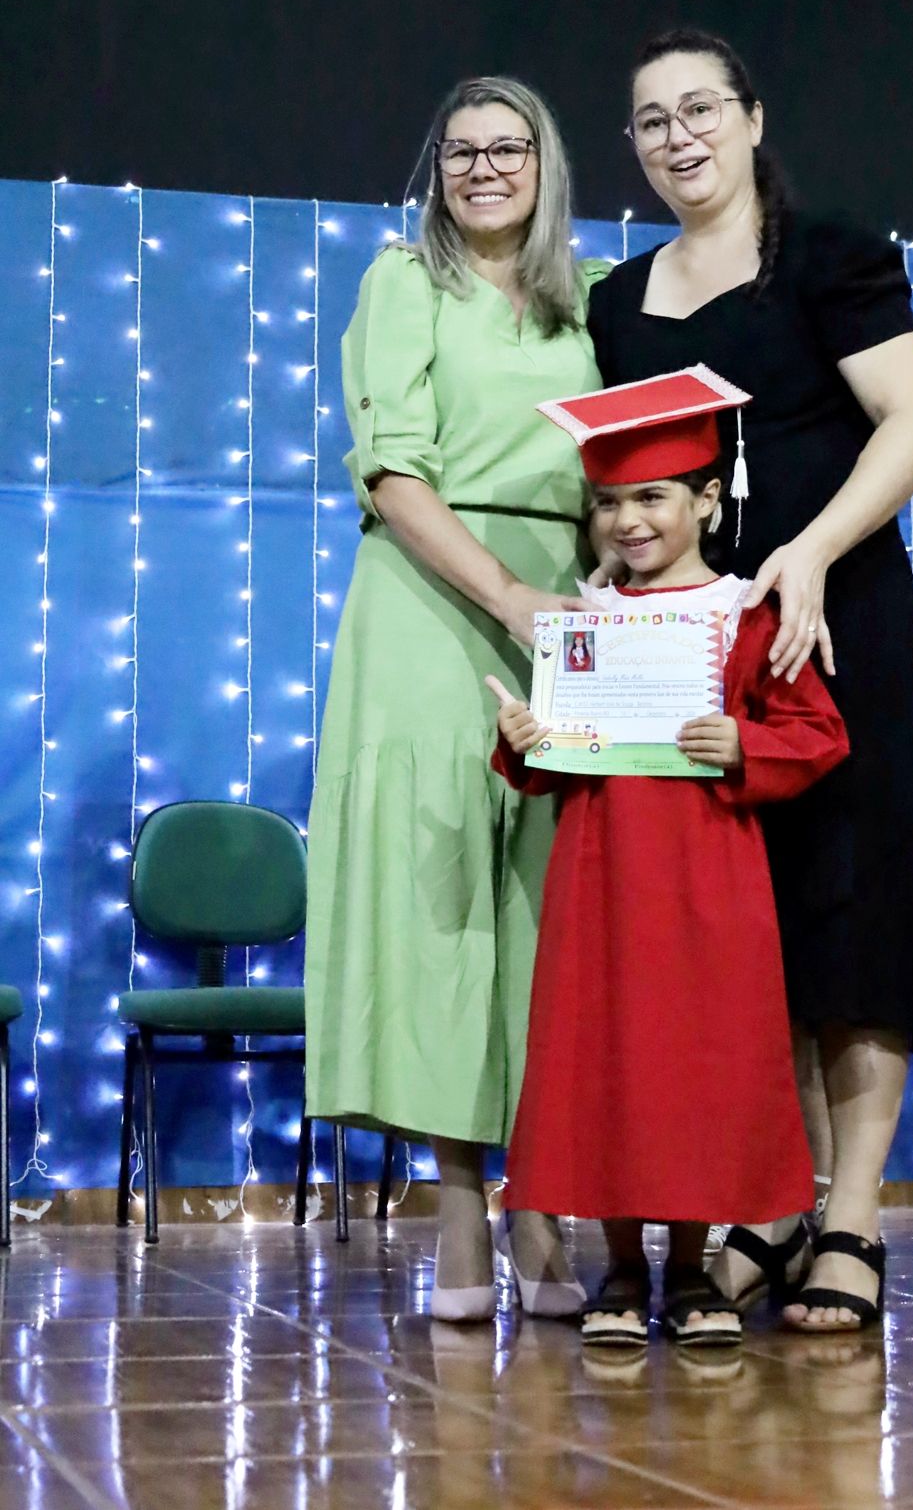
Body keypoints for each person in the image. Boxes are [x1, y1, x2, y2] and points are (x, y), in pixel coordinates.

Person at [586, 28, 913, 1332]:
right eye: (653, 120)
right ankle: (776, 1199)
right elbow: (633, 482)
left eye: (701, 108)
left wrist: (808, 551)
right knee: (751, 925)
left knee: (857, 908)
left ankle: (851, 1215)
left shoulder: (828, 254)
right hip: (700, 646)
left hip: (834, 619)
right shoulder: (618, 301)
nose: (679, 136)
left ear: (751, 119)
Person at [305, 76, 609, 1323]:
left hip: (566, 606)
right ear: (436, 170)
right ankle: (463, 1209)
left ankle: (544, 1200)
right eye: (460, 149)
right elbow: (393, 471)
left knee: (551, 911)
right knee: (444, 911)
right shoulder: (403, 282)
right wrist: (509, 597)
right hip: (432, 602)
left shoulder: (589, 298)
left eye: (507, 146)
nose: (483, 167)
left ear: (547, 163)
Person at [488, 368, 850, 1347]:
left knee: (698, 1062)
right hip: (600, 872)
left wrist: (745, 744)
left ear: (706, 497)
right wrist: (524, 740)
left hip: (708, 872)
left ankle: (689, 1271)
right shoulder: (581, 622)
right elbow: (555, 760)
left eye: (651, 496)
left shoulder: (747, 613)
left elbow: (819, 733)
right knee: (607, 1056)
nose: (628, 520)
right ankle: (618, 1268)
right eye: (608, 502)